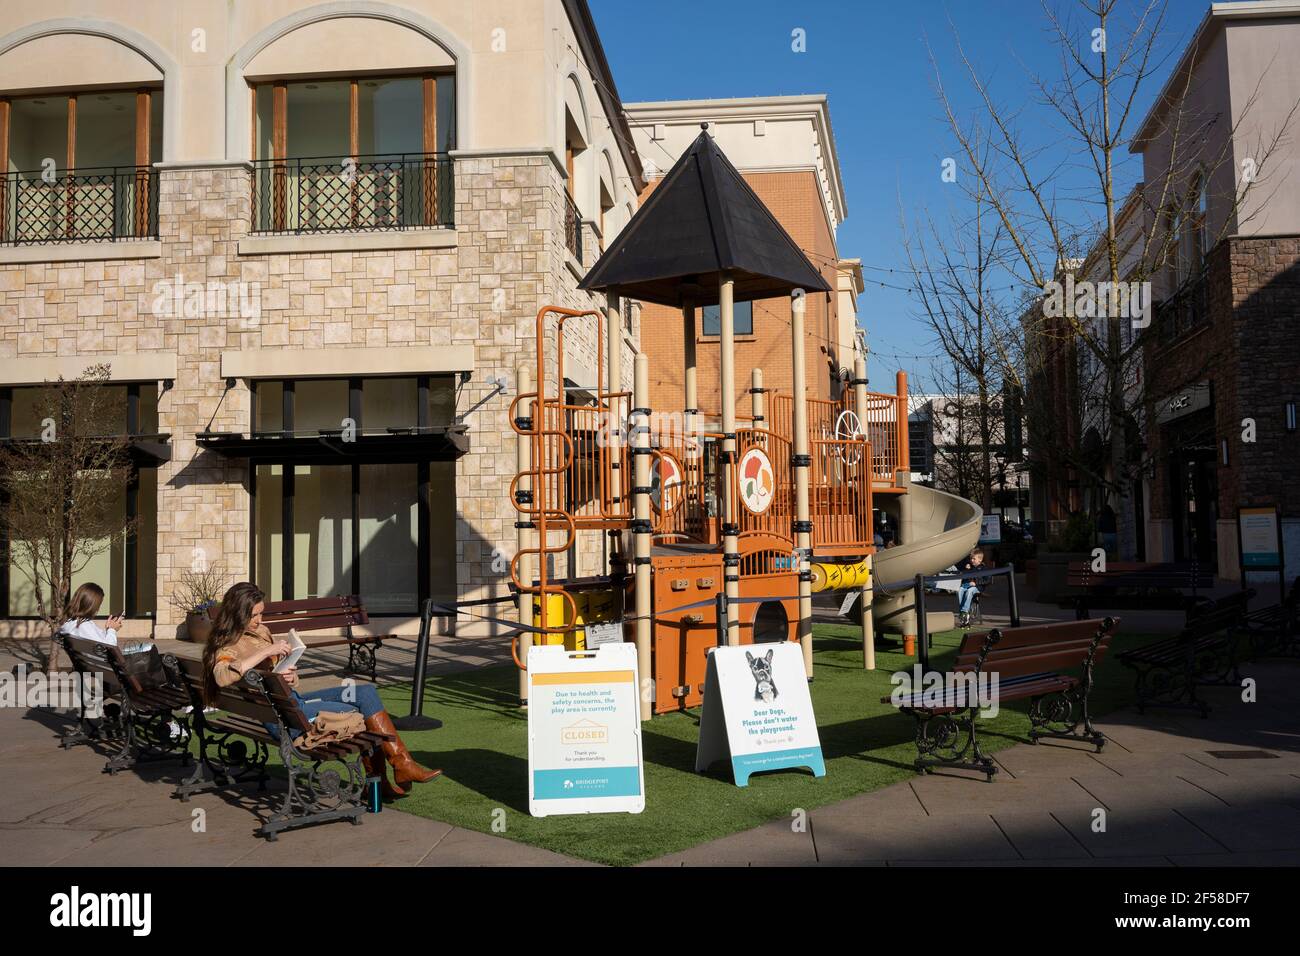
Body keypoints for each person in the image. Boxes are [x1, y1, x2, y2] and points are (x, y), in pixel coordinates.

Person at [201, 582, 439, 800]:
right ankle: (384, 778)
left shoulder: (259, 632)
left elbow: (275, 677)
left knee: (365, 693)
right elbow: (222, 676)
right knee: (364, 713)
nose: (260, 619)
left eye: (261, 613)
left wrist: (290, 675)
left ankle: (401, 764)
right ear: (238, 613)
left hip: (289, 703)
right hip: (286, 718)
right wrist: (265, 652)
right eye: (255, 615)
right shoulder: (227, 644)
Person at [59, 583, 123, 646]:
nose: (98, 608)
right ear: (92, 605)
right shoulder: (84, 625)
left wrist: (108, 629)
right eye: (99, 604)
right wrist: (112, 630)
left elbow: (97, 639)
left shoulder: (70, 622)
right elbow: (110, 647)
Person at [956, 547, 986, 627]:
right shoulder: (970, 567)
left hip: (977, 588)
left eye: (973, 559)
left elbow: (987, 580)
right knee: (959, 590)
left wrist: (976, 583)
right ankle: (963, 612)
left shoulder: (983, 568)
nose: (971, 560)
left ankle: (964, 612)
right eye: (971, 559)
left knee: (970, 591)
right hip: (966, 586)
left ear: (980, 560)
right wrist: (966, 569)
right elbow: (963, 576)